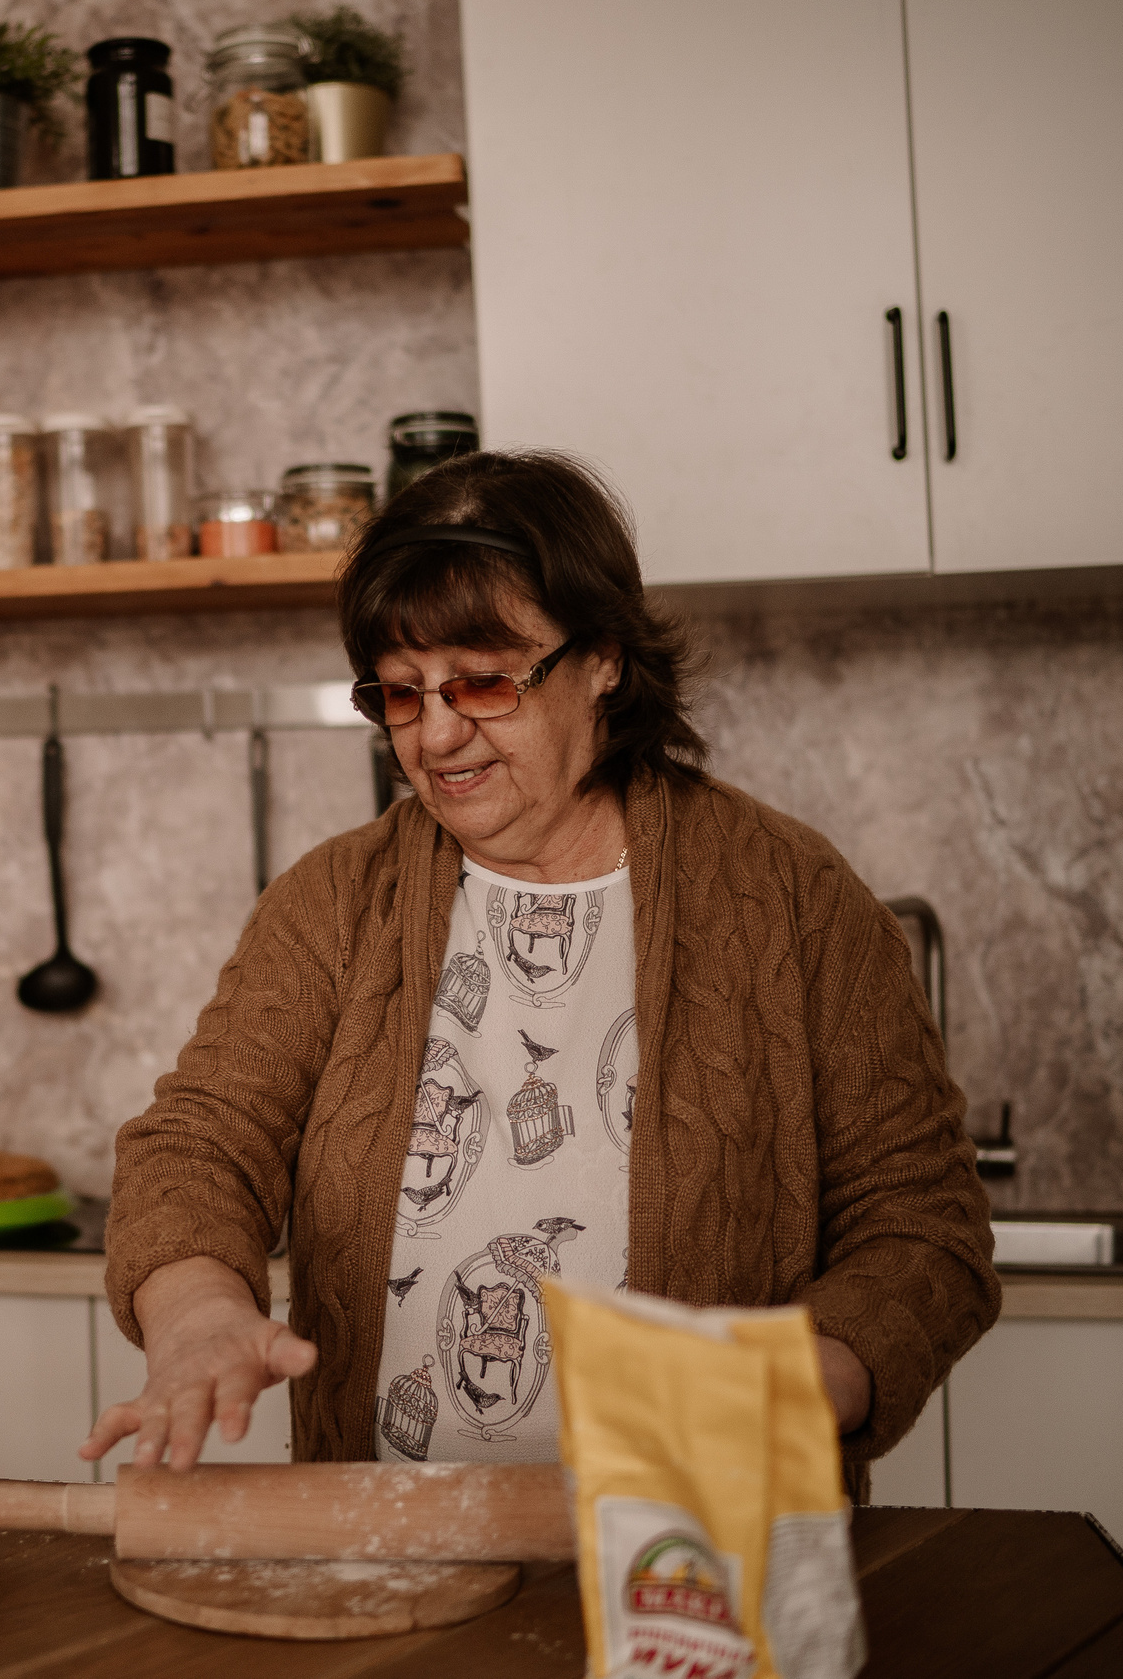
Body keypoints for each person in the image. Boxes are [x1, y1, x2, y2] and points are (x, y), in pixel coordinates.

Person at [85, 450, 997, 1489]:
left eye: (483, 680)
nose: (435, 733)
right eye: (400, 691)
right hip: (394, 1547)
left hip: (696, 1563)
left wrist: (798, 1383)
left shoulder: (790, 897)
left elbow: (923, 1222)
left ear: (603, 658)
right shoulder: (333, 903)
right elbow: (199, 1144)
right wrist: (201, 1319)